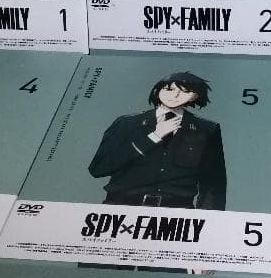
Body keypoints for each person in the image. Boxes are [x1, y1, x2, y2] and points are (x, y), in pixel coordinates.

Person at [88, 71, 226, 211]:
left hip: (177, 212)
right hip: (121, 208)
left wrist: (208, 218)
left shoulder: (207, 129)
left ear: (195, 96)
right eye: (169, 89)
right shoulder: (126, 123)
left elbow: (214, 183)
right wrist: (154, 136)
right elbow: (98, 168)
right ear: (157, 91)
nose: (175, 95)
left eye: (185, 91)